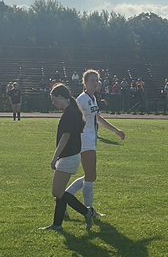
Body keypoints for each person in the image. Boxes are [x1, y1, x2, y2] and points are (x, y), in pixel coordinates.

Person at [65, 69, 126, 220]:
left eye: (97, 80)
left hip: (91, 139)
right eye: (92, 80)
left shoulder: (92, 98)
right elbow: (71, 117)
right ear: (85, 82)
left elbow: (98, 118)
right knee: (90, 176)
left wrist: (116, 131)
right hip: (84, 140)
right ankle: (88, 209)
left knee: (90, 175)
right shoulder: (81, 99)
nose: (95, 83)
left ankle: (65, 198)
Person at [42, 83, 93, 232]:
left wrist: (54, 158)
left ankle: (86, 212)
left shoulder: (70, 113)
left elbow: (65, 137)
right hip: (71, 155)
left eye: (54, 99)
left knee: (57, 192)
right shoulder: (72, 111)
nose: (53, 103)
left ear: (61, 97)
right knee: (60, 193)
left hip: (69, 156)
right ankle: (57, 225)